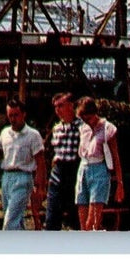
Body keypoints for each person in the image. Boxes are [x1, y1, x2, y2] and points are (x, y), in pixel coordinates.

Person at [0, 98, 47, 230]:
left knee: (10, 222)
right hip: (7, 177)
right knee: (16, 218)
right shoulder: (4, 133)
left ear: (23, 114)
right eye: (10, 115)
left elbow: (40, 162)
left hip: (23, 177)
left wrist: (40, 186)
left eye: (16, 115)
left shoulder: (33, 135)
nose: (13, 119)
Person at [75, 97, 124, 230]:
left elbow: (115, 157)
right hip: (83, 169)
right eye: (84, 119)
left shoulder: (107, 128)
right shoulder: (83, 128)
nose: (87, 122)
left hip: (99, 171)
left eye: (89, 118)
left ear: (94, 113)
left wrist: (120, 184)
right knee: (83, 226)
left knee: (91, 223)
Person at [44, 92, 82, 230]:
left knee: (75, 218)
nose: (58, 110)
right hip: (57, 174)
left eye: (61, 105)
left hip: (74, 173)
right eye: (55, 107)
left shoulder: (82, 127)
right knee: (51, 218)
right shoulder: (57, 128)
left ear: (71, 106)